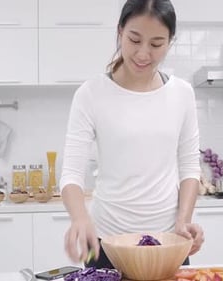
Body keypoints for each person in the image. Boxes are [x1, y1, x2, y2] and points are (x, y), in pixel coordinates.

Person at [59, 0, 204, 269]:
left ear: (170, 42)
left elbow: (189, 169)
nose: (143, 54)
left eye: (156, 44)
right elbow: (70, 174)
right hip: (106, 244)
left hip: (169, 242)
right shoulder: (91, 94)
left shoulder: (182, 93)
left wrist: (184, 221)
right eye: (134, 39)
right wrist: (80, 219)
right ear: (119, 32)